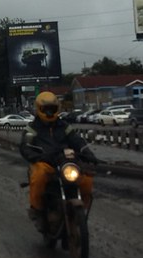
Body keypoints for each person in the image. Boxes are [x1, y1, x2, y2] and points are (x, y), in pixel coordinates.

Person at [19, 91, 98, 229]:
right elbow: (25, 147)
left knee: (86, 178)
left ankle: (80, 210)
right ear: (39, 109)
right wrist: (36, 156)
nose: (49, 112)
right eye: (46, 109)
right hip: (46, 163)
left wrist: (89, 154)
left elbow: (77, 141)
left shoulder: (65, 126)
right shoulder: (32, 128)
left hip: (65, 162)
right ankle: (37, 210)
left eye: (52, 108)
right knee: (38, 176)